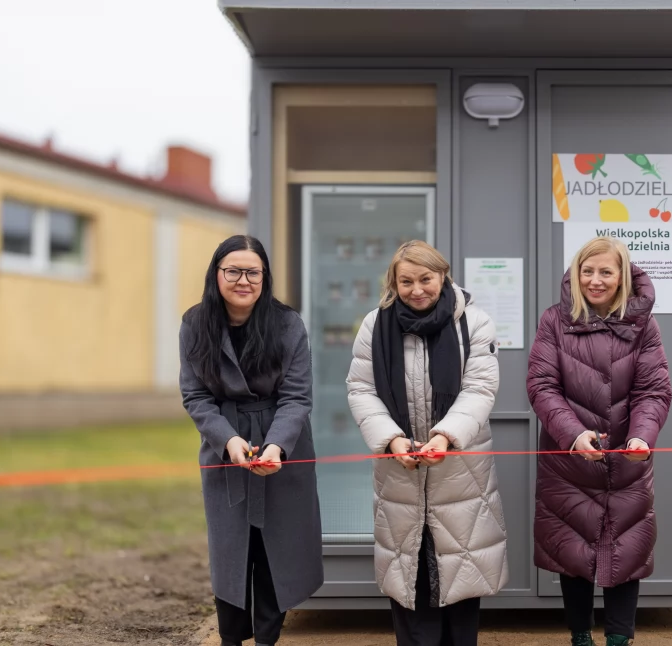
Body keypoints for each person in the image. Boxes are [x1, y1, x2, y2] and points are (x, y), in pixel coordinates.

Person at [346, 240, 509, 646]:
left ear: (443, 276)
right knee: (409, 575)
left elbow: (480, 388)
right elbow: (361, 389)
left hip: (460, 470)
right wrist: (390, 439)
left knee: (460, 572)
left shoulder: (473, 322)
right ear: (393, 282)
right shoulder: (374, 324)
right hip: (398, 470)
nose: (417, 289)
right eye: (406, 281)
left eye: (426, 279)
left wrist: (446, 435)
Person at [179, 235, 324, 646]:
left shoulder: (287, 323)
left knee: (277, 547)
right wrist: (228, 440)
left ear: (265, 277)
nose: (243, 280)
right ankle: (231, 638)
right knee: (231, 548)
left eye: (253, 272)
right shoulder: (194, 324)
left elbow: (297, 396)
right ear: (217, 274)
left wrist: (277, 445)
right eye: (233, 271)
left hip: (284, 442)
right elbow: (196, 395)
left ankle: (268, 639)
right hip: (224, 443)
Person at [527, 236, 672, 646]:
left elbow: (653, 391)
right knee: (571, 547)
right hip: (568, 459)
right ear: (576, 274)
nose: (595, 280)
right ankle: (580, 636)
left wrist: (642, 436)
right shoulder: (554, 320)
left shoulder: (644, 324)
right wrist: (573, 434)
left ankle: (619, 638)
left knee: (626, 548)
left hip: (628, 458)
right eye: (587, 271)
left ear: (621, 276)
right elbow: (541, 385)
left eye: (605, 271)